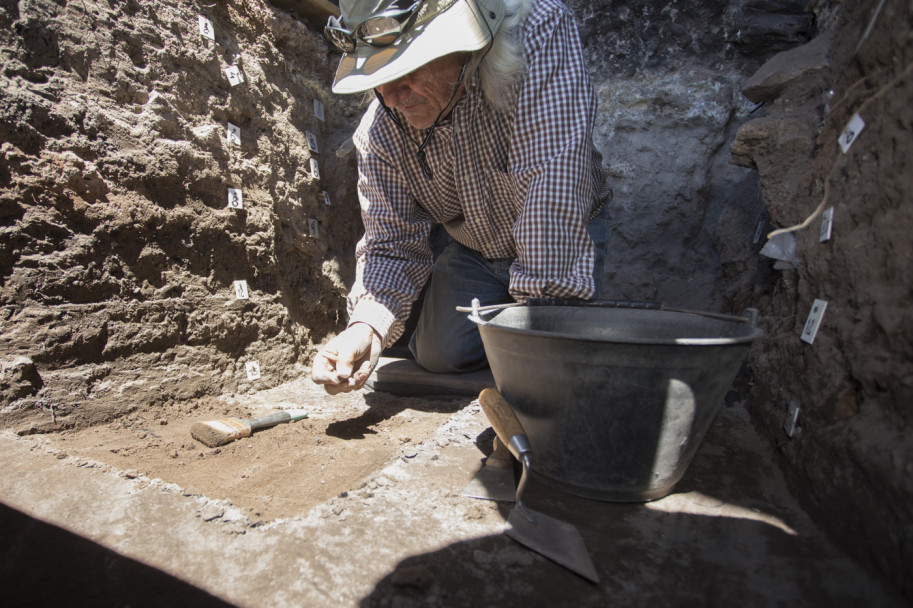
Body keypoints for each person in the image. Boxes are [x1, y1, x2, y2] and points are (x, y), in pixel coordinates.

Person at [311, 0, 612, 394]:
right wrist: (365, 327)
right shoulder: (381, 131)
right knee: (440, 356)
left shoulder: (537, 31)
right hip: (477, 247)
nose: (389, 95)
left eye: (404, 70)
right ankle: (500, 327)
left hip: (565, 231)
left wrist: (539, 343)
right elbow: (392, 245)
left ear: (465, 44)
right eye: (376, 76)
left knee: (557, 353)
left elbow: (552, 198)